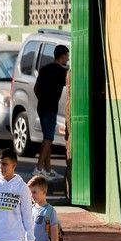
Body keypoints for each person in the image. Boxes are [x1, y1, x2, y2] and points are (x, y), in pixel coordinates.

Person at [33, 45, 69, 180]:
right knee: (48, 138)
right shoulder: (62, 72)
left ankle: (47, 169)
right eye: (67, 55)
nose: (68, 58)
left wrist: (43, 99)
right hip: (50, 108)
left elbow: (36, 88)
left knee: (47, 137)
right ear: (63, 56)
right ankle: (38, 168)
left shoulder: (44, 69)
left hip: (41, 107)